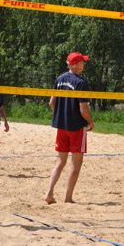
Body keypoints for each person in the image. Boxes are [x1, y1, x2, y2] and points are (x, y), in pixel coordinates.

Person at [44, 52, 95, 204]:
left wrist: (62, 116)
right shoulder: (81, 82)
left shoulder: (60, 79)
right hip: (77, 127)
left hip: (62, 126)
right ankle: (68, 198)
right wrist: (90, 122)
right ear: (77, 64)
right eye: (82, 62)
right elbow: (83, 109)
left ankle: (49, 193)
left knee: (60, 161)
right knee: (76, 163)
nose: (84, 64)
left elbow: (51, 103)